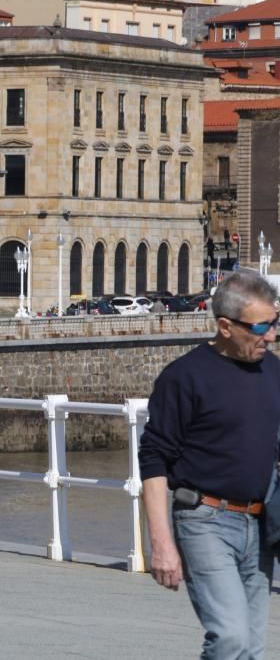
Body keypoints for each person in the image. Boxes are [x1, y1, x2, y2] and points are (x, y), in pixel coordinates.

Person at [139, 269, 280, 658]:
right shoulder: (184, 377)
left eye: (276, 321)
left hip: (260, 521)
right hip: (205, 521)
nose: (271, 334)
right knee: (230, 637)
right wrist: (161, 544)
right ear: (225, 325)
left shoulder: (274, 371)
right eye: (262, 325)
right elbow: (153, 460)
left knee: (251, 647)